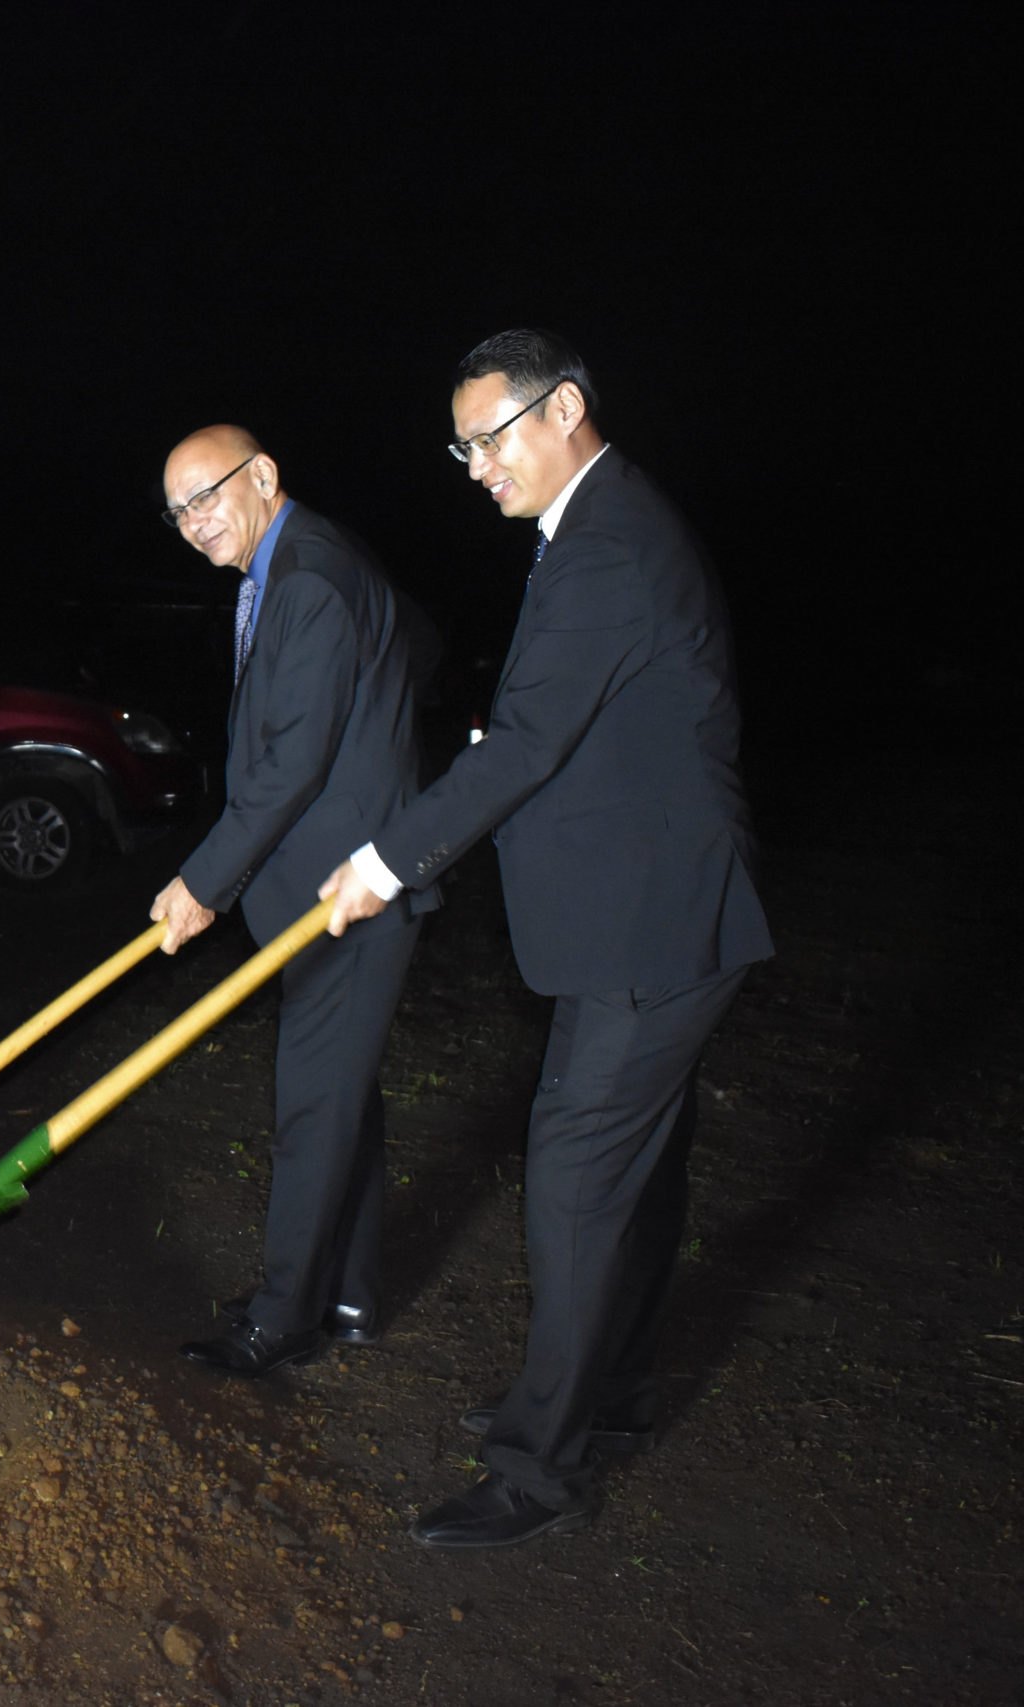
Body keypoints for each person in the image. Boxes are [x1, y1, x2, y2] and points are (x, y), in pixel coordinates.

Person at [322, 329, 772, 1549]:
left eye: (489, 438)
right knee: (636, 1172)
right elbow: (570, 723)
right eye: (460, 448)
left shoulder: (608, 542)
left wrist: (383, 862)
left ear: (563, 408)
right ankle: (605, 1392)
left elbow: (530, 742)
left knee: (575, 1180)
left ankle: (536, 1472)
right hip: (653, 912)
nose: (475, 467)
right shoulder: (598, 526)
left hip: (651, 925)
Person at [147, 426, 439, 1378]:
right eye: (178, 511)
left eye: (207, 496)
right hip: (324, 882)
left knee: (314, 1104)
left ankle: (283, 1318)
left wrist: (203, 882)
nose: (194, 522)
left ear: (264, 474)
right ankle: (344, 1292)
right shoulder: (295, 564)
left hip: (346, 891)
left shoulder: (311, 576)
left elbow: (292, 766)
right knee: (343, 1092)